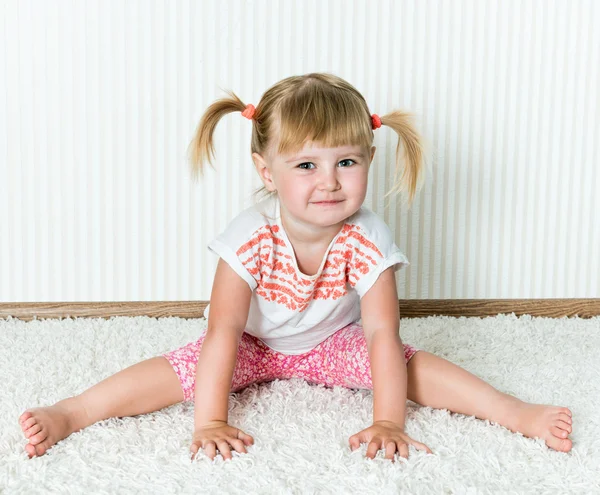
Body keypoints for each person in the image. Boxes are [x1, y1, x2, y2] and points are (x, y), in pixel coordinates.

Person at [19, 73, 573, 462]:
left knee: (411, 365)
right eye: (306, 164)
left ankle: (515, 412)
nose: (329, 181)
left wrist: (388, 420)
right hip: (253, 344)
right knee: (178, 370)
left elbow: (381, 332)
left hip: (333, 341)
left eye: (346, 162)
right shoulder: (250, 238)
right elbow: (224, 330)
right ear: (267, 171)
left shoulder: (368, 236)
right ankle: (73, 411)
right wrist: (211, 420)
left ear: (369, 160)